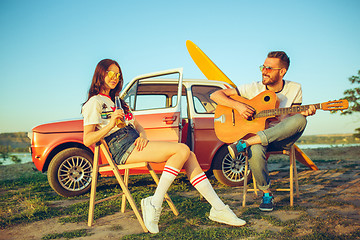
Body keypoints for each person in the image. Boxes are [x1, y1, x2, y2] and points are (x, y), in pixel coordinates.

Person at [81, 59, 246, 234]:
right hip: (120, 147)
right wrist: (110, 124)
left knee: (189, 155)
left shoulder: (118, 101)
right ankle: (155, 202)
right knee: (182, 150)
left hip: (134, 141)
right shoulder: (95, 102)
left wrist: (143, 135)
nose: (114, 77)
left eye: (117, 74)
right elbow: (87, 139)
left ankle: (218, 208)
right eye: (110, 73)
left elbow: (138, 126)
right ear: (101, 74)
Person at [210, 51, 316, 212]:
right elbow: (215, 95)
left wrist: (303, 112)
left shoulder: (295, 88)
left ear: (282, 72)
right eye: (263, 66)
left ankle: (245, 143)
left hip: (281, 138)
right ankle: (266, 193)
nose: (263, 71)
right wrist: (238, 106)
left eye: (269, 68)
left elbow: (293, 116)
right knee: (255, 148)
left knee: (301, 120)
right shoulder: (253, 88)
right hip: (258, 140)